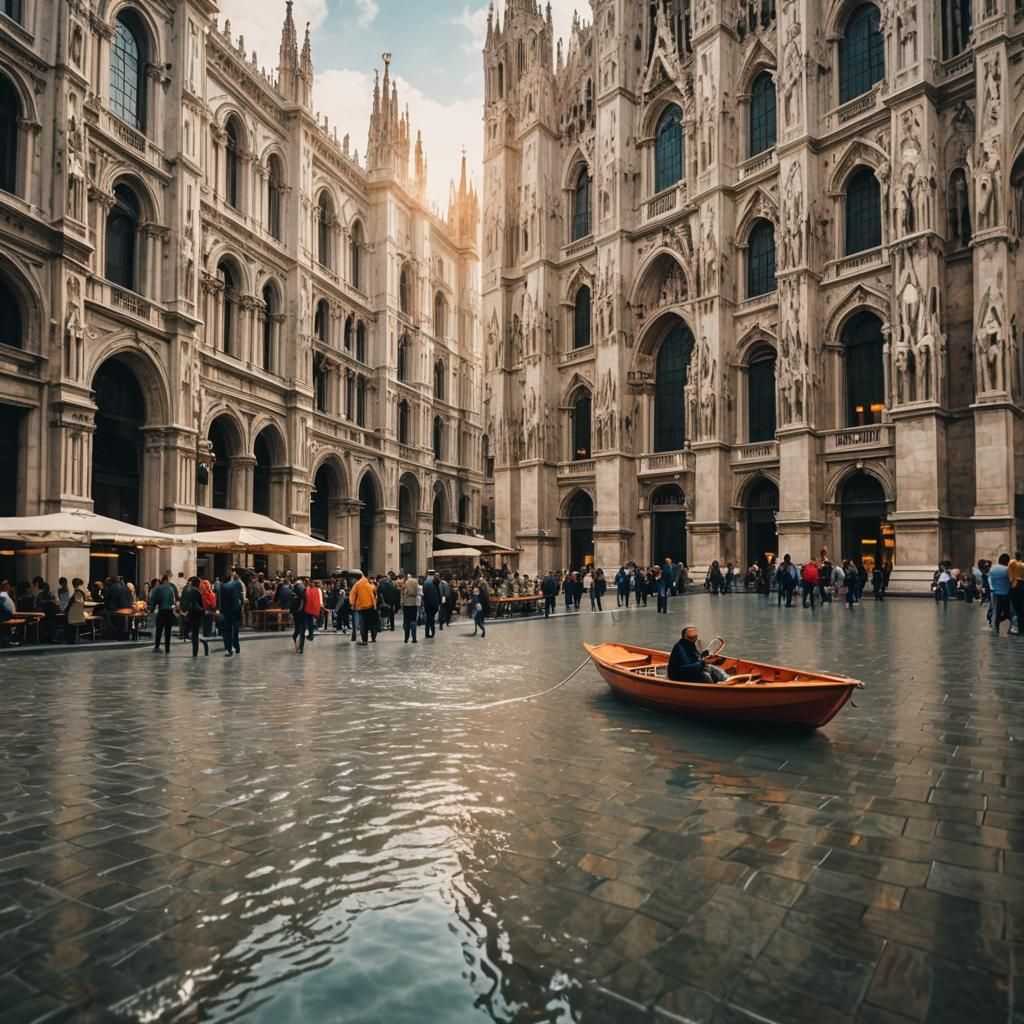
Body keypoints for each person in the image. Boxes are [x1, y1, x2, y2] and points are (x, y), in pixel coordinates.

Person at [179, 577, 209, 657]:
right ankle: (196, 651)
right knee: (194, 634)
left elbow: (183, 602)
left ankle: (198, 647)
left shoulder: (187, 590)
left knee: (190, 633)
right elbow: (196, 604)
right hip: (195, 615)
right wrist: (203, 611)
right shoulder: (196, 592)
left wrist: (184, 611)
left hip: (188, 615)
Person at [148, 573, 178, 654]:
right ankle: (167, 648)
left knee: (159, 629)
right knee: (168, 631)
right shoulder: (170, 589)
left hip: (162, 611)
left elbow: (153, 600)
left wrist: (150, 610)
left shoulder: (158, 589)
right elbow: (173, 602)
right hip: (169, 612)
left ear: (162, 580)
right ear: (167, 580)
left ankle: (157, 646)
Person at [219, 569, 244, 657]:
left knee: (227, 630)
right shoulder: (237, 584)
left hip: (226, 610)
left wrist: (221, 610)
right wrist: (241, 607)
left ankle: (228, 649)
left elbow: (221, 600)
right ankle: (236, 645)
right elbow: (240, 597)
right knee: (236, 629)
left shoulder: (222, 586)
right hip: (236, 609)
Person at [351, 572, 378, 645]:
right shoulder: (369, 585)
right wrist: (374, 605)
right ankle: (373, 636)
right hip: (371, 606)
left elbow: (352, 595)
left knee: (363, 624)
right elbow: (373, 594)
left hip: (361, 607)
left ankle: (364, 640)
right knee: (371, 623)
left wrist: (352, 603)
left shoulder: (357, 585)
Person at [990, 554, 1013, 634]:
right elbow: (1011, 581)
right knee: (1007, 612)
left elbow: (992, 581)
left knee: (996, 611)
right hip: (1006, 593)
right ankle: (1008, 628)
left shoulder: (993, 569)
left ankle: (996, 627)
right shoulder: (1007, 569)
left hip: (996, 592)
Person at [291, 576, 308, 654]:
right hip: (301, 611)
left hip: (296, 611)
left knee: (298, 628)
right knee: (301, 629)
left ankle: (298, 644)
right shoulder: (301, 587)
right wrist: (300, 608)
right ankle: (300, 647)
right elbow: (303, 599)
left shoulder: (294, 587)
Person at [401, 572, 419, 643]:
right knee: (413, 621)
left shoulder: (405, 583)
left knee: (406, 621)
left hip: (406, 604)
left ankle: (406, 638)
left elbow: (403, 592)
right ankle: (414, 638)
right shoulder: (415, 582)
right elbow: (417, 592)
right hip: (413, 603)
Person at [422, 572, 441, 639]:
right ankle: (432, 632)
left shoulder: (426, 583)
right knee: (431, 618)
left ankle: (427, 633)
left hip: (427, 603)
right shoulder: (437, 583)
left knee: (428, 618)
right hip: (434, 604)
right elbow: (439, 593)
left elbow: (423, 593)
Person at [304, 578, 322, 643]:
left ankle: (311, 635)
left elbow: (318, 598)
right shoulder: (309, 589)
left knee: (311, 622)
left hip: (312, 608)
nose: (311, 584)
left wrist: (319, 606)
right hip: (309, 608)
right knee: (310, 622)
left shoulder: (314, 590)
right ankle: (311, 634)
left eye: (311, 583)